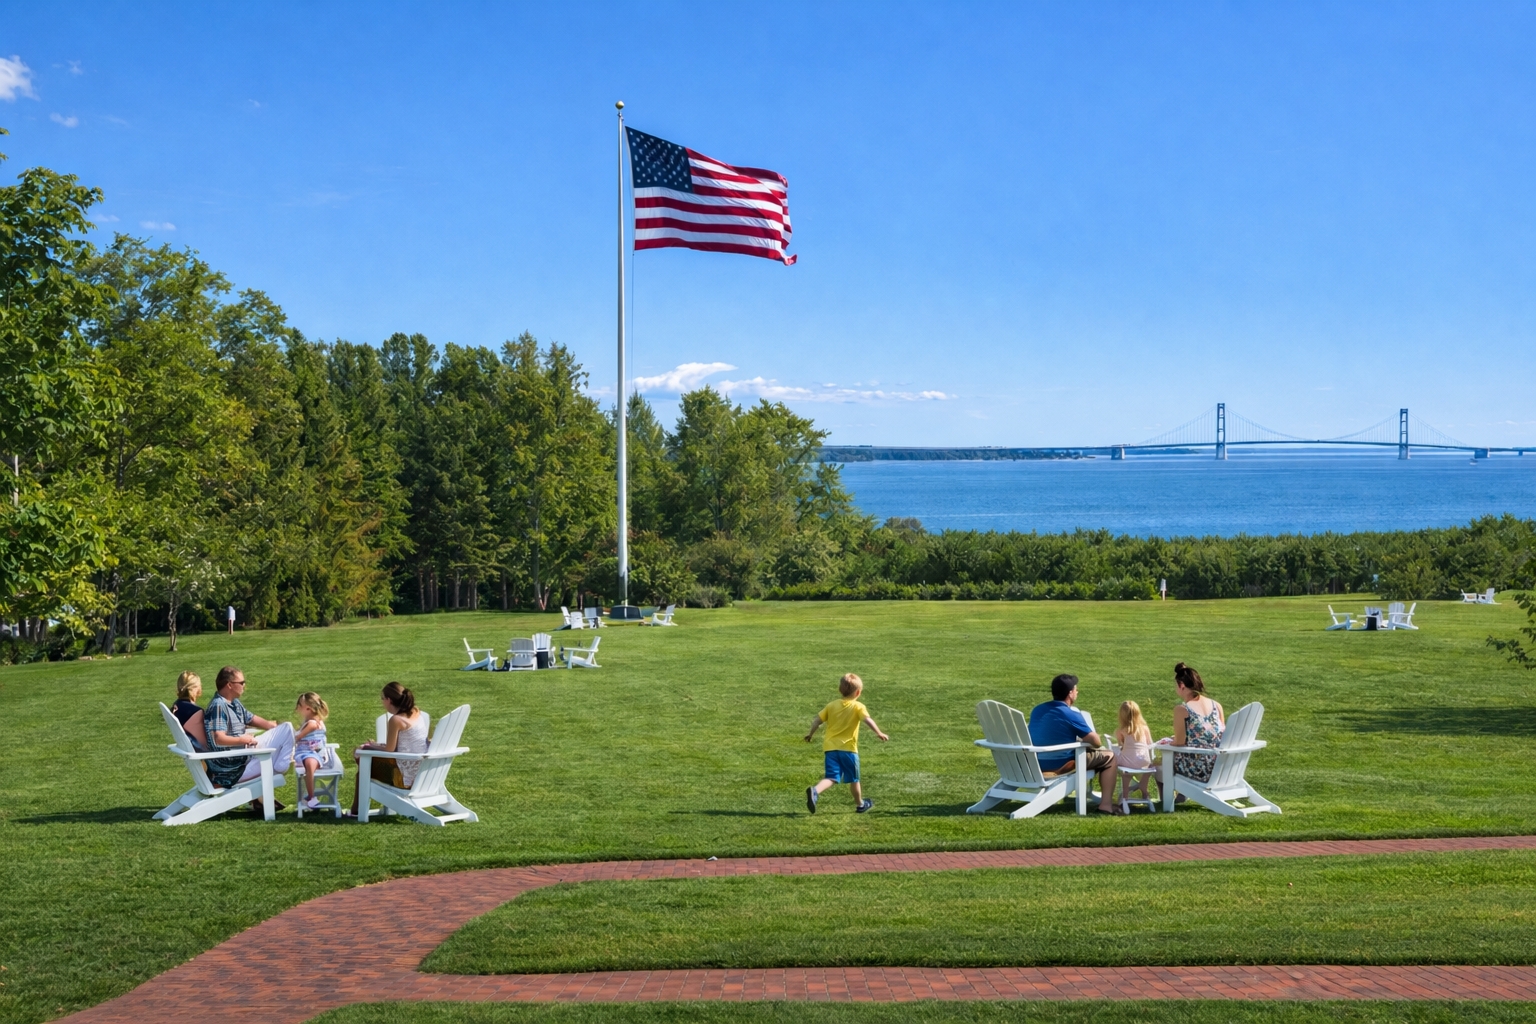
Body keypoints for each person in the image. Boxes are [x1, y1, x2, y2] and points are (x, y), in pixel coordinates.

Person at [203, 665, 296, 814]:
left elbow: (251, 718)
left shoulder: (233, 702)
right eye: (242, 682)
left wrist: (272, 726)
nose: (244, 686)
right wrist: (242, 739)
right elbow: (218, 738)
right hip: (234, 768)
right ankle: (281, 766)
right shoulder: (218, 706)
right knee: (288, 729)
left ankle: (282, 761)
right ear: (229, 685)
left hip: (245, 755)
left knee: (286, 729)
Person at [1028, 673, 1121, 815]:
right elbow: (1096, 742)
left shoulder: (1038, 710)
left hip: (1036, 762)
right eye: (1075, 689)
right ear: (1070, 693)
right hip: (1062, 764)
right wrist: (1082, 741)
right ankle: (1106, 805)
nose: (1077, 692)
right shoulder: (1070, 714)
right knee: (1109, 757)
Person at [804, 672, 889, 814]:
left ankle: (815, 791)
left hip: (830, 748)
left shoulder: (831, 705)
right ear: (858, 692)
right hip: (848, 749)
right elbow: (867, 720)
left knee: (831, 777)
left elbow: (817, 721)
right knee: (854, 779)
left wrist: (810, 734)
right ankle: (860, 805)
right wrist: (879, 733)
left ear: (840, 690)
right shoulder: (858, 707)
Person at [347, 681, 429, 817]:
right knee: (363, 766)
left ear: (389, 700)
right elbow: (399, 746)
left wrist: (369, 746)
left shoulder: (396, 720)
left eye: (382, 699)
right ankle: (355, 810)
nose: (382, 702)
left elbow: (390, 750)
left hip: (404, 776)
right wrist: (376, 746)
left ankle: (356, 811)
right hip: (420, 769)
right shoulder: (415, 712)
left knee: (361, 759)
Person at [1164, 662, 1225, 787]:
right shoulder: (1216, 706)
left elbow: (1179, 743)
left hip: (1200, 770)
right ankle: (1182, 795)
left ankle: (1168, 799)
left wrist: (1168, 742)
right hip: (1221, 766)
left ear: (1181, 685)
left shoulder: (1182, 709)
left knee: (1160, 764)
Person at [292, 692, 332, 809]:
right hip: (304, 753)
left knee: (310, 763)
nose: (297, 708)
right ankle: (310, 796)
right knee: (309, 763)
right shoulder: (309, 722)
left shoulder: (313, 724)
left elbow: (297, 737)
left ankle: (310, 796)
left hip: (314, 754)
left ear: (308, 709)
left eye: (299, 705)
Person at [1113, 700, 1156, 809]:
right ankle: (1144, 788)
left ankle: (1125, 796)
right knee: (1150, 766)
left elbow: (1121, 746)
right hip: (1144, 761)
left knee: (1123, 769)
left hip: (1128, 762)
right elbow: (1150, 744)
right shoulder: (1144, 728)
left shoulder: (1121, 731)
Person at [170, 671, 208, 750]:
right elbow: (204, 744)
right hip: (203, 757)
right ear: (196, 688)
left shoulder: (177, 706)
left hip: (188, 750)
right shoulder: (195, 712)